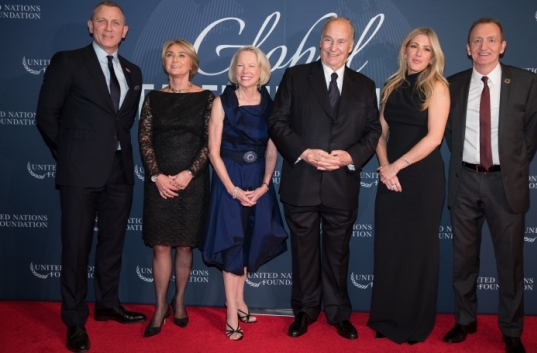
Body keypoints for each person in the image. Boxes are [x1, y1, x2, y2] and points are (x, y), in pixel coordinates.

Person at [35, 2, 146, 352]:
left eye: (116, 23)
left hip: (119, 170)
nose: (109, 27)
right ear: (91, 26)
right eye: (102, 21)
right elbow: (46, 115)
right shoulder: (68, 61)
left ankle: (108, 304)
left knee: (112, 245)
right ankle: (74, 319)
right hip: (80, 171)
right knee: (76, 246)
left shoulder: (133, 70)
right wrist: (70, 153)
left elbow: (122, 122)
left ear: (125, 31)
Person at [268, 17, 381, 340]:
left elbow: (373, 131)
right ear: (320, 41)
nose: (334, 47)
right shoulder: (295, 76)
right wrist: (304, 152)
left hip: (341, 184)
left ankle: (338, 313)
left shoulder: (364, 85)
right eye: (329, 40)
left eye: (341, 41)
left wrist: (352, 156)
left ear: (351, 46)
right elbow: (276, 122)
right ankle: (304, 311)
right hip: (301, 181)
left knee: (338, 253)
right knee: (303, 253)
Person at [443, 18, 537, 353]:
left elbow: (531, 135)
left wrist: (509, 167)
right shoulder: (452, 84)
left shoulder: (526, 82)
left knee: (510, 262)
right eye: (476, 41)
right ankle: (464, 320)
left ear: (502, 45)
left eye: (491, 40)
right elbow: (449, 135)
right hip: (465, 182)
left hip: (505, 184)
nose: (483, 47)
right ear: (468, 48)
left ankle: (512, 331)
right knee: (463, 259)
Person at [367, 27, 450, 344]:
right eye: (413, 46)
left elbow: (435, 138)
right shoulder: (392, 85)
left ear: (433, 56)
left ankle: (414, 323)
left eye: (426, 49)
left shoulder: (438, 87)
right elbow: (378, 132)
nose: (418, 53)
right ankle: (386, 319)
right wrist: (385, 167)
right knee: (389, 249)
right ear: (404, 50)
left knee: (418, 252)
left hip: (421, 179)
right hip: (391, 177)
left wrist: (396, 166)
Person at [202, 45, 288, 341]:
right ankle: (230, 313)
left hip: (258, 181)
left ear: (261, 71)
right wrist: (233, 189)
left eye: (252, 66)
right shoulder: (220, 102)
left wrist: (265, 185)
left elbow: (273, 148)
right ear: (234, 70)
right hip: (230, 180)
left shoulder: (270, 103)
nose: (246, 71)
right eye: (240, 65)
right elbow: (213, 152)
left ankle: (238, 300)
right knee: (231, 244)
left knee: (251, 240)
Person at [138, 39, 213, 338]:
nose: (175, 59)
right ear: (164, 62)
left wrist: (189, 173)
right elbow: (144, 140)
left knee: (184, 244)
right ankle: (159, 306)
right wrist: (157, 175)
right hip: (159, 184)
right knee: (160, 245)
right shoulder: (153, 98)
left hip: (191, 183)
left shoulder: (207, 98)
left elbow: (211, 142)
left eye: (182, 55)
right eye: (169, 54)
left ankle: (179, 300)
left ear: (192, 63)